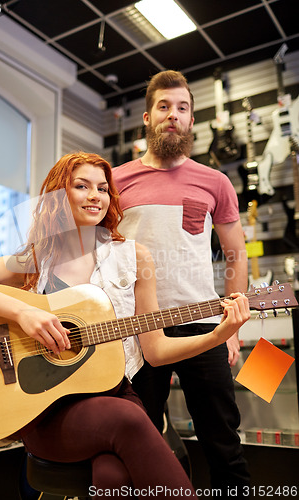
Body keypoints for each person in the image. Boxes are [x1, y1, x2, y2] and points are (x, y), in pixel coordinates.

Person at [0, 152, 250, 499]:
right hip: (47, 408)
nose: (95, 196)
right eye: (82, 186)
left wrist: (219, 334)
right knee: (130, 422)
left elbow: (157, 352)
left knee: (112, 476)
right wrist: (21, 312)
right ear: (59, 195)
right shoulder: (36, 258)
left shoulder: (134, 256)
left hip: (116, 393)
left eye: (103, 188)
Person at [113, 71, 251, 498]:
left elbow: (236, 254)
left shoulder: (215, 182)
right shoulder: (115, 182)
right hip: (137, 331)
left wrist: (233, 327)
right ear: (148, 117)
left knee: (223, 442)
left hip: (204, 325)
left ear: (191, 119)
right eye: (164, 107)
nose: (173, 115)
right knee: (137, 443)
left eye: (182, 108)